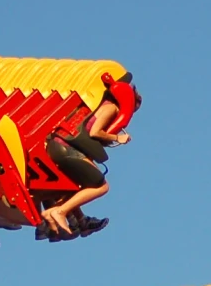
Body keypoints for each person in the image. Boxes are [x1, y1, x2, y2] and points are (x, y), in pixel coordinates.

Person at [40, 72, 139, 237]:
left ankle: (54, 213)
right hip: (67, 149)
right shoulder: (111, 108)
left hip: (57, 146)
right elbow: (95, 132)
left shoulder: (97, 105)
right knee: (101, 186)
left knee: (78, 185)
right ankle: (61, 212)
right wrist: (118, 138)